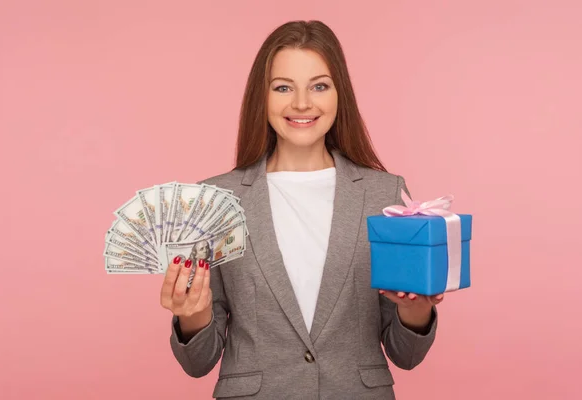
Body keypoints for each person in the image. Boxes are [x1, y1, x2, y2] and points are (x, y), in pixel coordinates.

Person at [159, 20, 444, 399]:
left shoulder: (385, 194)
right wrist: (191, 314)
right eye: (283, 88)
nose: (302, 104)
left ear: (339, 93)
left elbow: (406, 355)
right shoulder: (218, 198)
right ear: (262, 97)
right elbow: (199, 363)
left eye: (319, 86)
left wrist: (416, 308)